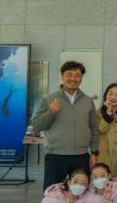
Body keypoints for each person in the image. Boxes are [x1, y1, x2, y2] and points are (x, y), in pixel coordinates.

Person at [32, 60, 99, 189]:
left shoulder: (88, 101)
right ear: (62, 76)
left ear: (81, 79)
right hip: (56, 155)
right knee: (52, 192)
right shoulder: (49, 99)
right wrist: (51, 112)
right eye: (69, 75)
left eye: (77, 75)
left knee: (82, 193)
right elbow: (37, 126)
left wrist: (94, 152)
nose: (73, 79)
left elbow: (94, 128)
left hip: (81, 156)